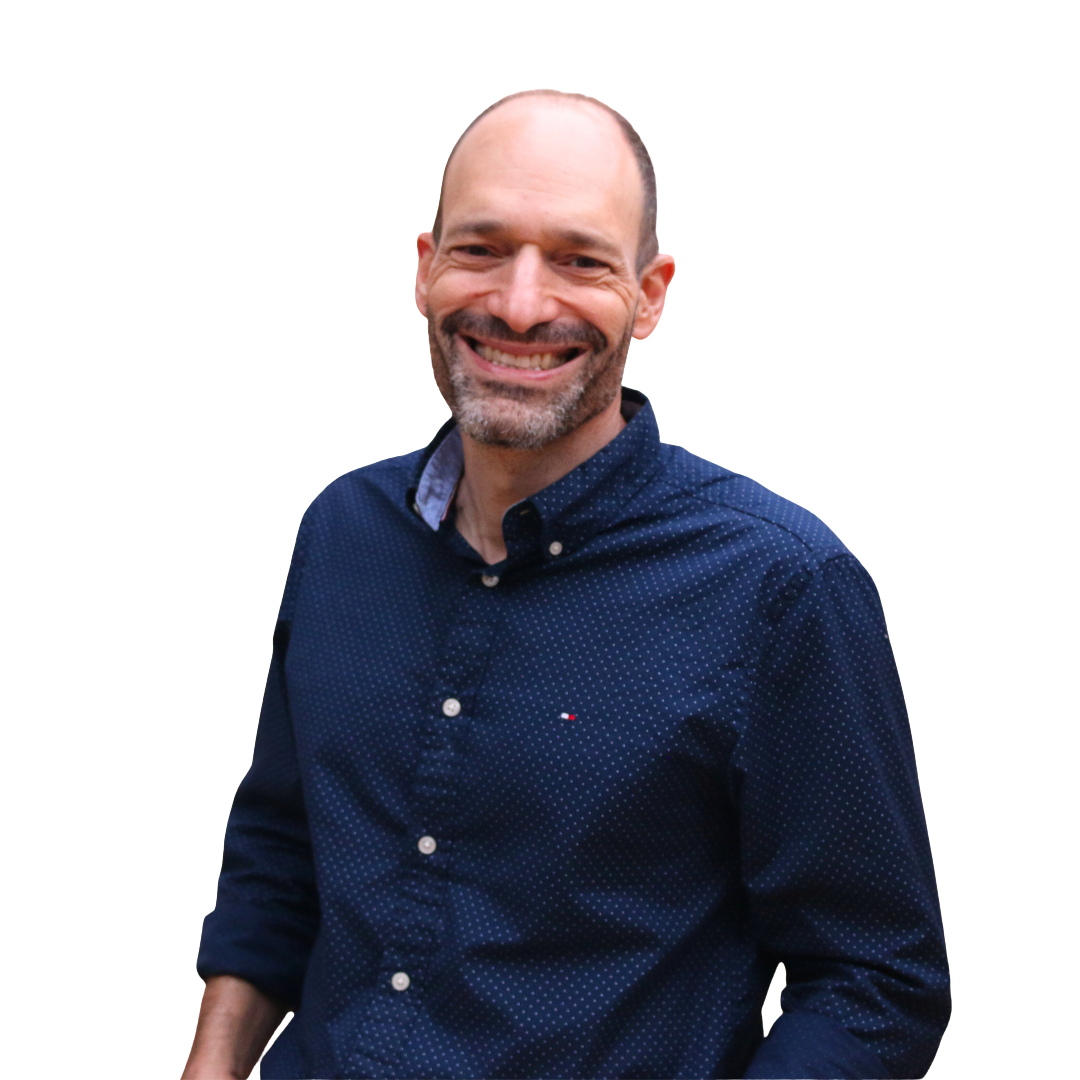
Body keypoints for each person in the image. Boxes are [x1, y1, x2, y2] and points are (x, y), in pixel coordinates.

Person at [185, 89, 951, 1080]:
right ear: (423, 271)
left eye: (580, 260)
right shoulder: (340, 532)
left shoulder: (782, 589)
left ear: (652, 297)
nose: (520, 304)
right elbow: (279, 854)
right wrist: (214, 1061)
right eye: (481, 249)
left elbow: (875, 982)